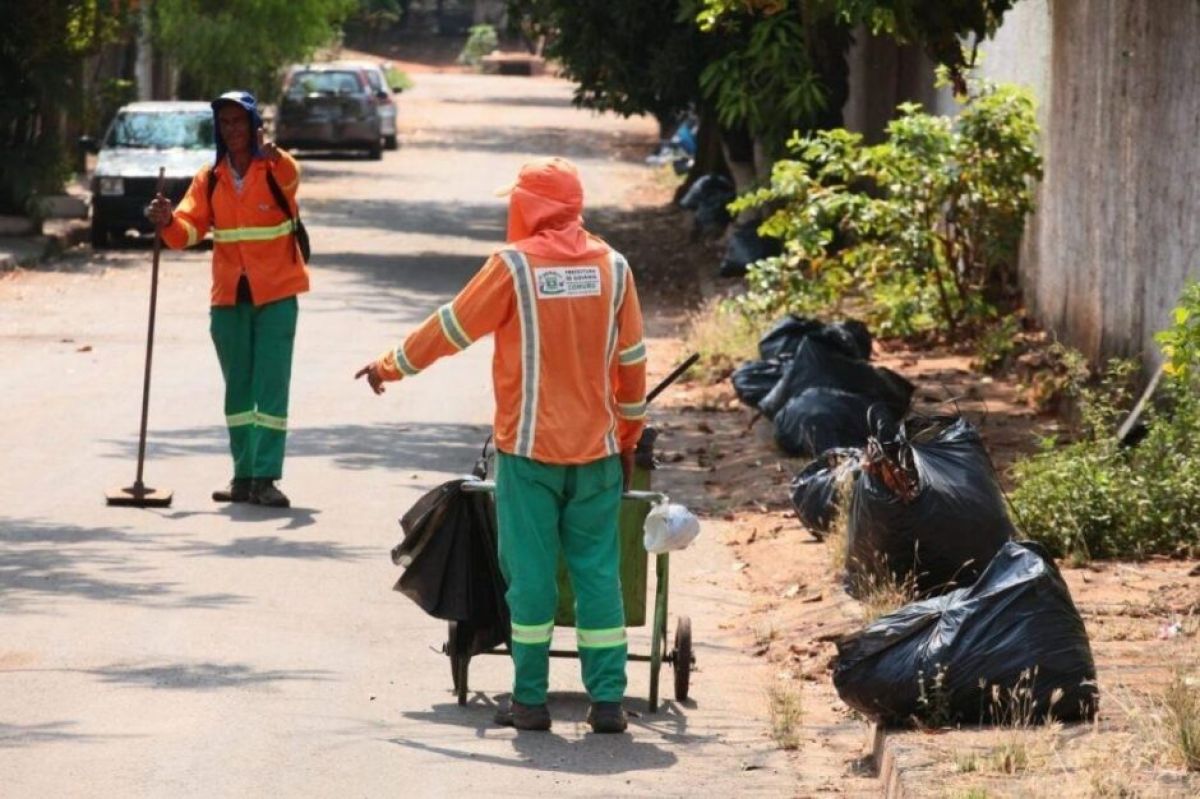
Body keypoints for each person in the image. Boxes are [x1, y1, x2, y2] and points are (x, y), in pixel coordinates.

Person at [356, 157, 647, 733]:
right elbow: (632, 365)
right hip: (597, 454)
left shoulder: (513, 268)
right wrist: (628, 437)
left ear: (530, 207)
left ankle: (531, 701)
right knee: (597, 576)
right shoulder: (614, 268)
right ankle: (609, 701)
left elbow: (451, 327)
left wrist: (390, 366)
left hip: (529, 457)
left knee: (532, 577)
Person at [147, 91, 308, 508]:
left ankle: (266, 477)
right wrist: (167, 221)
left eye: (240, 122)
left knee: (270, 388)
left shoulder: (275, 169)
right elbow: (188, 230)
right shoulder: (210, 178)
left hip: (276, 295)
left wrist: (276, 155)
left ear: (256, 126)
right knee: (238, 390)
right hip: (229, 299)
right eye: (226, 123)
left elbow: (292, 176)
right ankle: (243, 476)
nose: (233, 130)